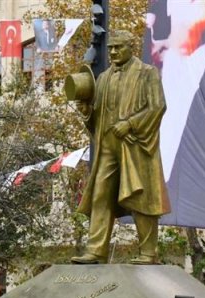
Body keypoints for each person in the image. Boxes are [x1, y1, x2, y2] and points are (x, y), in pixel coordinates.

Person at [71, 30, 170, 265]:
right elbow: (97, 119)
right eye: (111, 48)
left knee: (142, 198)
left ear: (130, 47)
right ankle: (96, 251)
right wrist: (86, 112)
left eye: (119, 47)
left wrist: (130, 124)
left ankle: (148, 253)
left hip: (135, 144)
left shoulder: (147, 73)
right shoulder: (103, 78)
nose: (113, 52)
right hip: (107, 146)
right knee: (101, 195)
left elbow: (157, 107)